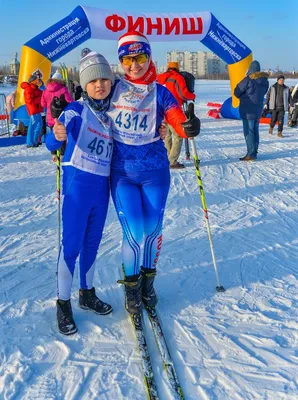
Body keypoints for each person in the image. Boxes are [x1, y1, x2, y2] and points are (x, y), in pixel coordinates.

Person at [108, 31, 200, 314]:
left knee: (153, 230)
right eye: (128, 59)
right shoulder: (112, 89)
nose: (134, 64)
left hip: (155, 171)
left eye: (140, 57)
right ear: (121, 61)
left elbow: (174, 114)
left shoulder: (160, 91)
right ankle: (132, 286)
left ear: (149, 58)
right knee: (135, 231)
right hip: (122, 173)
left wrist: (187, 126)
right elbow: (88, 106)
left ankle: (148, 283)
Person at [45, 52, 115, 335]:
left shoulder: (112, 115)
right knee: (71, 245)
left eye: (104, 79)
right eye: (93, 80)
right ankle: (63, 303)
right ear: (84, 84)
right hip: (78, 189)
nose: (99, 85)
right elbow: (52, 139)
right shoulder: (75, 109)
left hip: (102, 190)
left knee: (92, 245)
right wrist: (57, 133)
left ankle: (87, 294)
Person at [157, 61, 196, 168]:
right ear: (177, 69)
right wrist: (192, 96)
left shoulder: (159, 78)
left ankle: (168, 158)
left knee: (167, 136)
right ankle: (172, 161)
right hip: (173, 111)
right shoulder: (178, 77)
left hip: (161, 111)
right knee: (178, 136)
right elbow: (183, 93)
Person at [234, 60, 269, 161]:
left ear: (250, 69)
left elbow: (237, 92)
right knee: (255, 131)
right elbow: (263, 92)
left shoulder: (248, 80)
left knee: (249, 132)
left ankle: (250, 154)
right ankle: (254, 152)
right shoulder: (265, 81)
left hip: (247, 111)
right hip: (258, 110)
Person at [41, 71, 73, 160]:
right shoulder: (63, 89)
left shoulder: (45, 90)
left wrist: (49, 104)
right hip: (61, 116)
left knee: (53, 134)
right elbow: (70, 102)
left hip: (50, 116)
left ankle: (53, 154)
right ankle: (62, 154)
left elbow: (43, 104)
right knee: (61, 134)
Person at [20, 75, 44, 147]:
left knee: (39, 125)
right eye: (36, 80)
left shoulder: (35, 88)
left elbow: (42, 93)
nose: (38, 81)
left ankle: (35, 140)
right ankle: (30, 143)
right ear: (33, 81)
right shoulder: (28, 89)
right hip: (33, 110)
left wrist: (42, 86)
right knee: (32, 126)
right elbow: (29, 101)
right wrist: (40, 99)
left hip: (37, 110)